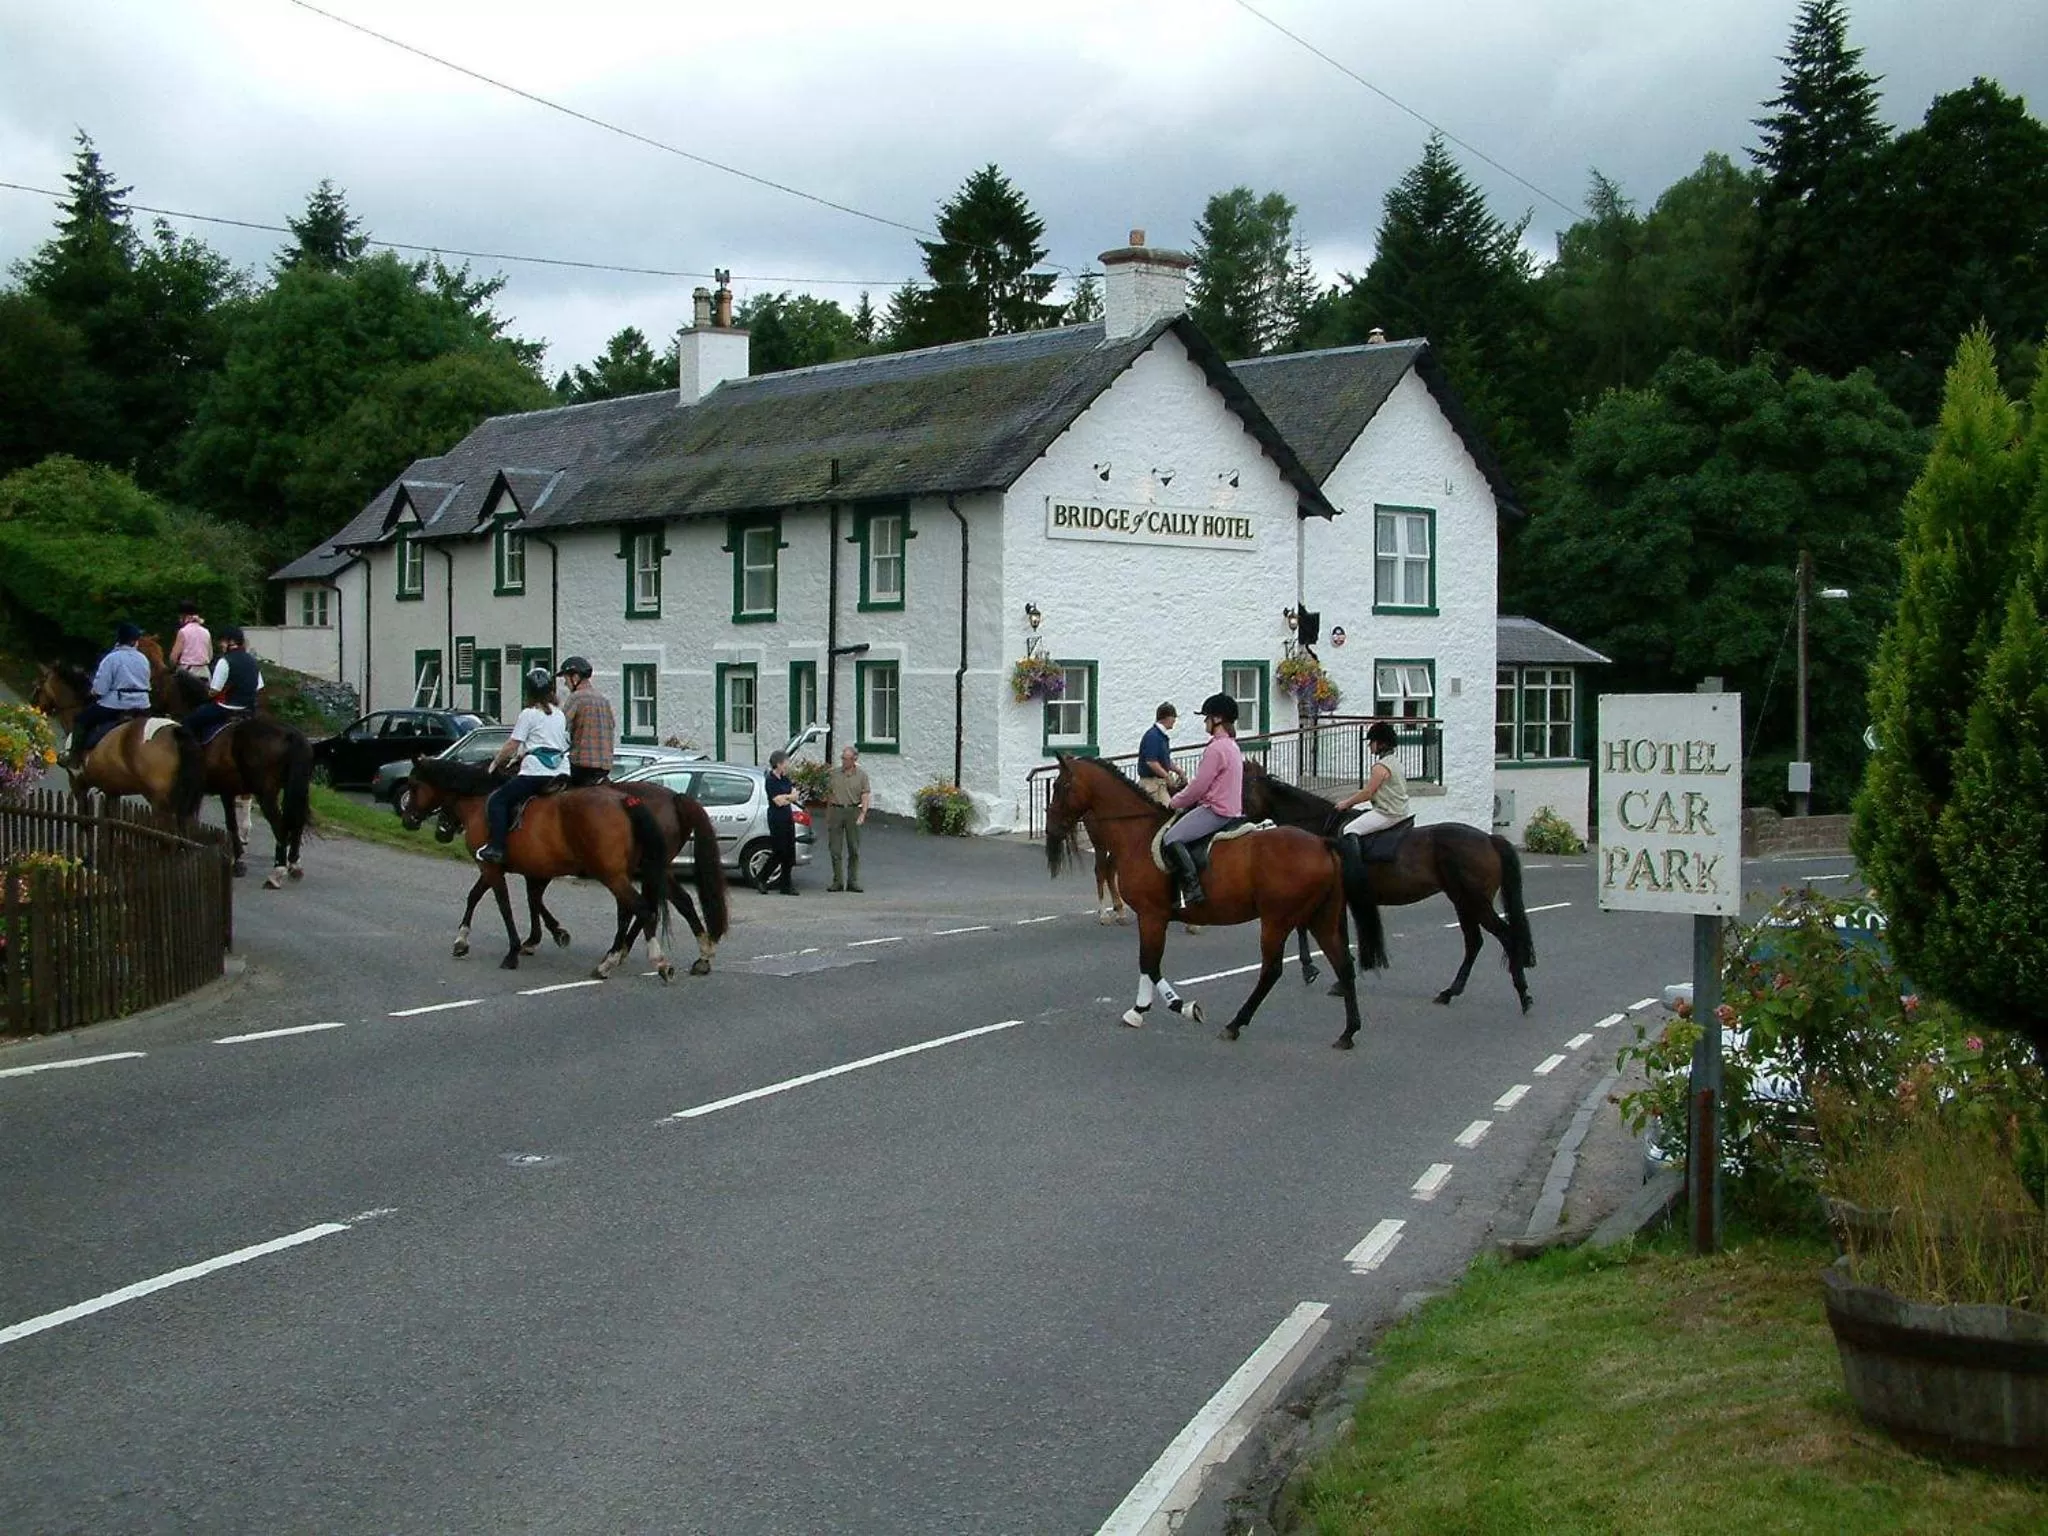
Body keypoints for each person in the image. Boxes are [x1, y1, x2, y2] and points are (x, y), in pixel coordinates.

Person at [476, 668, 571, 863]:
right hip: (561, 771)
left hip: (536, 772)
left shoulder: (529, 713)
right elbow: (549, 741)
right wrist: (518, 757)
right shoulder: (560, 715)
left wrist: (495, 763)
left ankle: (496, 847)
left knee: (498, 800)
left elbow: (513, 743)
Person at [1160, 693, 1244, 910]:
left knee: (1170, 837)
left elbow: (1199, 786)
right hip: (1233, 809)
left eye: (1206, 718)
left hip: (1216, 811)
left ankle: (1192, 889)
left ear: (1217, 719)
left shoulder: (1216, 748)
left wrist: (1174, 802)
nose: (1205, 722)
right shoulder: (1232, 745)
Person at [69, 622, 154, 766]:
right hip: (143, 705)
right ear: (134, 641)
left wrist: (93, 692)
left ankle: (74, 757)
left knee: (81, 720)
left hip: (117, 705)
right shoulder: (143, 659)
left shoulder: (111, 658)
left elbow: (100, 689)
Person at [182, 627, 264, 744]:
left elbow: (214, 690)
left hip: (226, 708)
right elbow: (259, 686)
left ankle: (192, 751)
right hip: (249, 709)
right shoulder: (252, 660)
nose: (220, 645)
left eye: (222, 641)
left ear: (231, 642)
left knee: (188, 722)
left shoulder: (225, 661)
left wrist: (206, 693)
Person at [1335, 720, 1411, 838]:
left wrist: (1346, 803)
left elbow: (1367, 793)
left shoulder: (1381, 766)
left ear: (1381, 744)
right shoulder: (1394, 761)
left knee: (1349, 829)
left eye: (1372, 742)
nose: (1369, 745)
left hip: (1387, 814)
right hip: (1400, 811)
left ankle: (1353, 858)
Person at [557, 656, 616, 787]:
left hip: (582, 765)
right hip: (605, 766)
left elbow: (560, 725)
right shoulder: (603, 699)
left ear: (575, 677)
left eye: (566, 679)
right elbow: (613, 725)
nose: (565, 684)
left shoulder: (576, 697)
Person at [824, 744, 871, 892]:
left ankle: (853, 881)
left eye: (846, 759)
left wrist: (863, 813)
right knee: (835, 849)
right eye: (842, 758)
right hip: (837, 810)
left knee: (854, 848)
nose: (844, 762)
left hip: (852, 811)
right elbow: (829, 795)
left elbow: (865, 794)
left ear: (854, 759)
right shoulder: (834, 774)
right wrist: (828, 814)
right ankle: (837, 881)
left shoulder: (862, 775)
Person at [755, 749, 800, 895]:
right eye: (786, 763)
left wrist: (787, 797)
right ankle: (761, 878)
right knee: (779, 851)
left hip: (787, 817)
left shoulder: (785, 779)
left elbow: (795, 795)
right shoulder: (771, 780)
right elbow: (778, 802)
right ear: (779, 764)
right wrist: (789, 797)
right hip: (776, 818)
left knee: (789, 852)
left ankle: (786, 885)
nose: (787, 765)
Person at [1136, 701, 1185, 808]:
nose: (1175, 721)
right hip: (1152, 784)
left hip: (1158, 783)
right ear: (1167, 718)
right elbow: (1151, 762)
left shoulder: (1159, 736)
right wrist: (1167, 776)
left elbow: (1164, 760)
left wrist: (1178, 770)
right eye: (1174, 717)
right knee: (1170, 811)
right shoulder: (1153, 736)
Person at [170, 601, 213, 681]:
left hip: (187, 673)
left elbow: (173, 657)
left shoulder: (183, 631)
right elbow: (210, 656)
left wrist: (172, 667)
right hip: (204, 672)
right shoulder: (206, 632)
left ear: (183, 616)